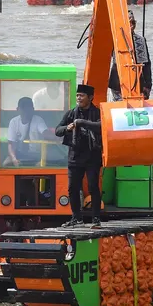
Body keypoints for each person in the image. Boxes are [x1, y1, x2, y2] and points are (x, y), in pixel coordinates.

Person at [55, 84, 103, 227]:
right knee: (73, 188)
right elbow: (58, 130)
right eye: (77, 95)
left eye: (82, 96)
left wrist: (83, 123)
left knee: (93, 187)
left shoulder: (97, 113)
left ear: (90, 97)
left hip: (92, 156)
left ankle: (96, 219)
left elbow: (101, 126)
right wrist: (67, 128)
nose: (78, 98)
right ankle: (76, 218)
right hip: (75, 156)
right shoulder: (71, 113)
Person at [109, 9, 152, 100]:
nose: (131, 25)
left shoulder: (140, 40)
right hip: (118, 82)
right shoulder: (114, 39)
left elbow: (146, 64)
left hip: (138, 81)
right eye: (128, 23)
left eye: (133, 22)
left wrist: (148, 85)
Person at [5, 97, 54, 166]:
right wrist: (13, 158)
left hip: (36, 155)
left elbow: (46, 133)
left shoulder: (38, 120)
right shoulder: (14, 122)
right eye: (23, 109)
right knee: (6, 164)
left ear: (33, 109)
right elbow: (11, 143)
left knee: (41, 166)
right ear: (18, 109)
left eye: (28, 109)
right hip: (19, 154)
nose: (25, 112)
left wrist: (59, 137)